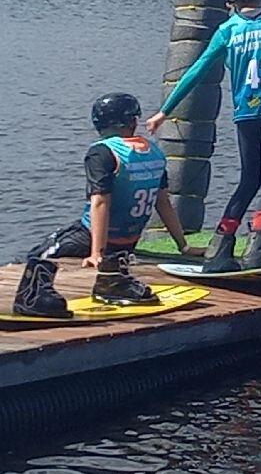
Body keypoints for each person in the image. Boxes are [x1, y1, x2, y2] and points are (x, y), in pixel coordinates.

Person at [145, 0, 261, 273]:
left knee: (249, 178)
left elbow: (197, 71)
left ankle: (221, 244)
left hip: (246, 111)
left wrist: (165, 112)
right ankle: (258, 245)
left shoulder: (228, 30)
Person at [11, 93, 203, 318]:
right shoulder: (155, 153)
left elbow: (101, 201)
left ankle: (31, 299)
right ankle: (112, 282)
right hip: (128, 241)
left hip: (97, 236)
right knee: (114, 252)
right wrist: (183, 245)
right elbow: (164, 204)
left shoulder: (102, 152)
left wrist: (96, 252)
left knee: (41, 253)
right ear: (133, 122)